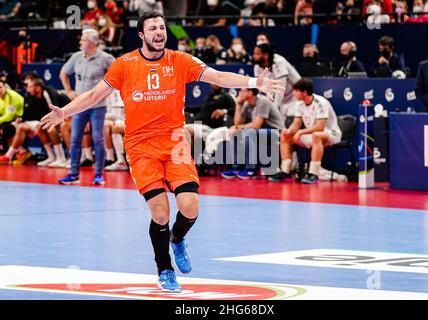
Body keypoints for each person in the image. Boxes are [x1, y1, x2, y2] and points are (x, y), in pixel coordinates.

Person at [40, 12, 283, 293]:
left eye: (162, 27)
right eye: (152, 28)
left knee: (190, 205)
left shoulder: (180, 61)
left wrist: (255, 82)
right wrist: (64, 112)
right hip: (140, 144)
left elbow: (218, 76)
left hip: (174, 141)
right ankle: (165, 269)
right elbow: (94, 95)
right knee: (160, 211)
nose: (159, 32)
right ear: (142, 35)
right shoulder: (124, 64)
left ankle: (177, 239)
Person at [59, 28, 115, 185]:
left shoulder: (105, 58)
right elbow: (63, 72)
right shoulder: (77, 57)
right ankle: (73, 173)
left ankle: (99, 174)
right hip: (80, 106)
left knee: (98, 139)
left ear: (92, 43)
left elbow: (119, 73)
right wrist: (69, 90)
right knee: (76, 138)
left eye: (82, 40)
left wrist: (107, 93)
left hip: (98, 106)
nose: (80, 42)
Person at [268, 78, 342, 184]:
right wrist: (289, 131)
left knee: (317, 135)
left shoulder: (321, 103)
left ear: (304, 92)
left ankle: (313, 174)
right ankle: (285, 171)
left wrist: (301, 132)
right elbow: (296, 124)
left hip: (331, 134)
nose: (293, 93)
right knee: (285, 136)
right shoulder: (299, 103)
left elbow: (320, 127)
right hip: (311, 135)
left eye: (296, 91)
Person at [220, 88, 284, 179]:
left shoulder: (263, 101)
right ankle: (236, 167)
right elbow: (237, 123)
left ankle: (250, 169)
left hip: (275, 132)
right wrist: (238, 106)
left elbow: (257, 125)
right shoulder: (247, 104)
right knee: (234, 133)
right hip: (259, 131)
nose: (239, 93)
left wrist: (238, 127)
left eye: (242, 91)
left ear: (250, 93)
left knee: (249, 132)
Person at [253, 43, 301, 123]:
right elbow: (260, 89)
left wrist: (273, 108)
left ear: (266, 55)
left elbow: (280, 88)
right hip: (280, 99)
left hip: (295, 96)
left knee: (288, 122)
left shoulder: (279, 62)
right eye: (254, 53)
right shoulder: (257, 67)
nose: (254, 56)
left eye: (257, 54)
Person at [0, 79, 24, 155]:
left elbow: (9, 116)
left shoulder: (11, 96)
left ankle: (8, 153)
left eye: (0, 87)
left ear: (5, 87)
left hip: (21, 118)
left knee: (6, 129)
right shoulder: (0, 97)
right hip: (9, 120)